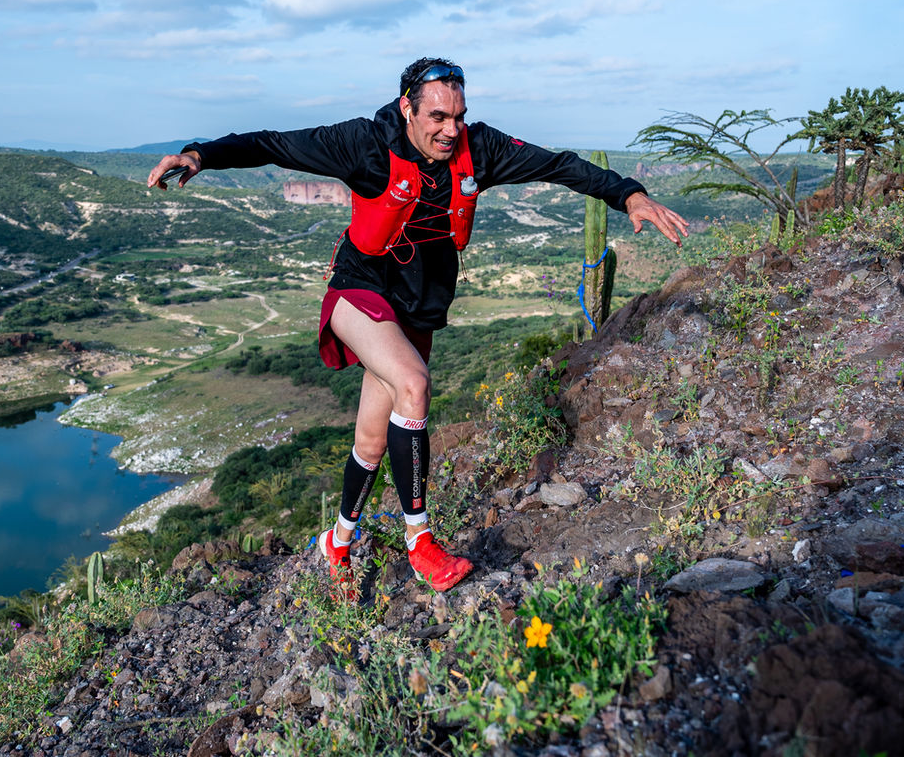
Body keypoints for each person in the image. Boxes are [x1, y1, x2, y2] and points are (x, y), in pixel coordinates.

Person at [147, 58, 688, 598]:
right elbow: (272, 143)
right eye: (437, 116)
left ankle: (337, 542)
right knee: (414, 385)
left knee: (372, 438)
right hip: (360, 288)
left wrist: (628, 194)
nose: (450, 129)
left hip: (421, 300)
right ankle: (421, 544)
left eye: (458, 115)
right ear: (407, 107)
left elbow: (559, 165)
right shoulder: (363, 143)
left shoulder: (481, 148)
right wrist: (200, 154)